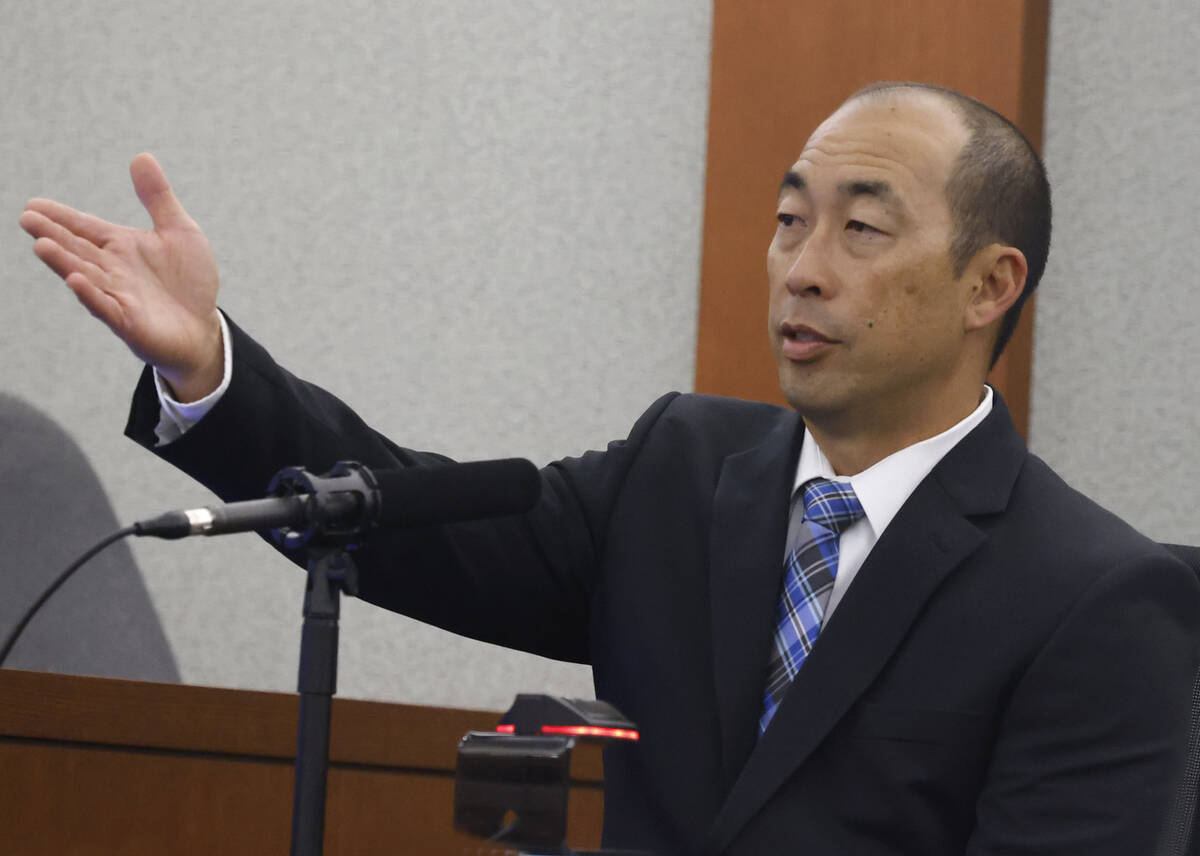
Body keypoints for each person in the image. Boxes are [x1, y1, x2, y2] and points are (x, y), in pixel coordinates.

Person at [19, 81, 1200, 855]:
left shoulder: (1097, 598)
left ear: (991, 284)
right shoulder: (681, 471)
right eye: (791, 220)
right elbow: (403, 516)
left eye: (863, 228)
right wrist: (209, 371)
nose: (801, 266)